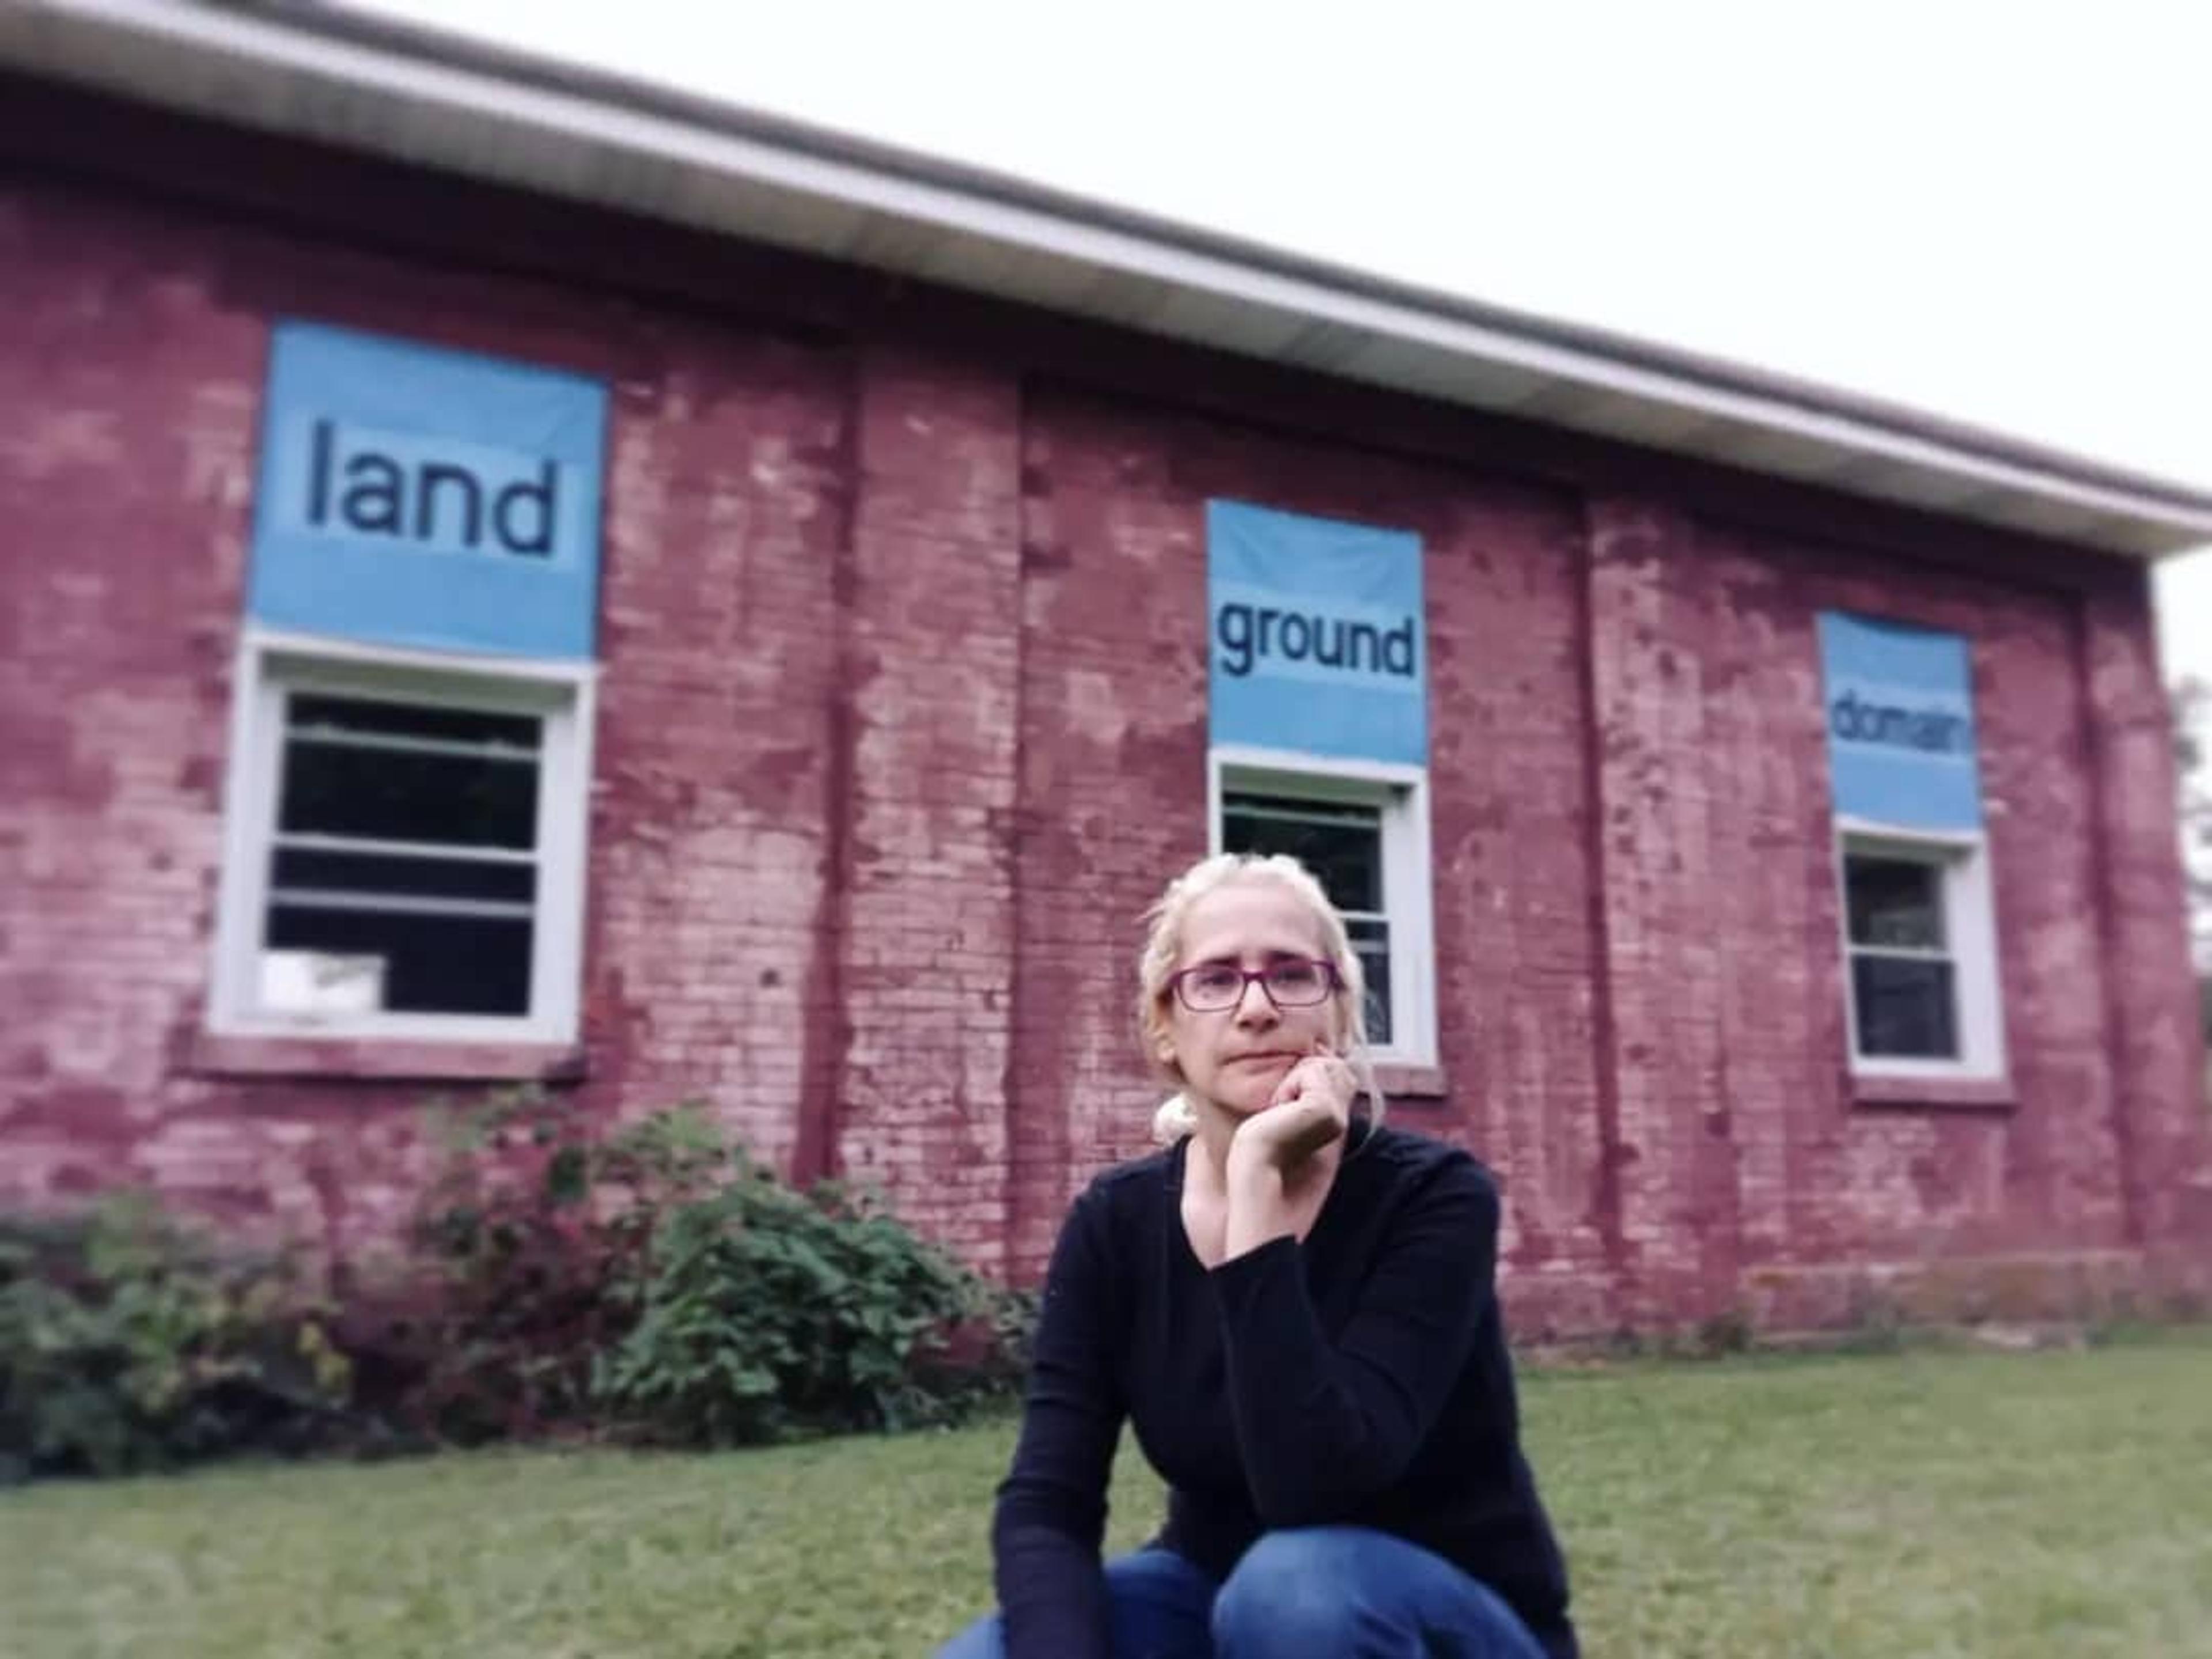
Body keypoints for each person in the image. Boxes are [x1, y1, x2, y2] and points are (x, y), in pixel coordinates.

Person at [936, 851, 1578, 1659]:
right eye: (1214, 980)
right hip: (1212, 1593)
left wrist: (1254, 1189)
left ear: (1341, 1015)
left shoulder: (1434, 1200)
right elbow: (1047, 1501)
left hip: (1439, 1615)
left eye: (1291, 975)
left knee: (1294, 1589)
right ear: (1165, 1030)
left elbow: (1315, 1487)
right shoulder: (1117, 1224)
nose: (1256, 1008)